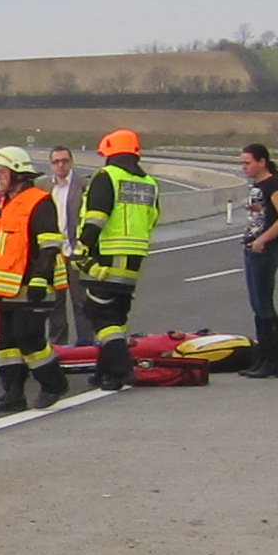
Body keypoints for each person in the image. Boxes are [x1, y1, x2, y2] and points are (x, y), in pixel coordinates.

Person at [0, 145, 71, 415]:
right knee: (7, 342)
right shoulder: (5, 204)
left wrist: (40, 278)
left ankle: (54, 384)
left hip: (33, 286)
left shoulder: (39, 201)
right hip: (6, 288)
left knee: (28, 337)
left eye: (1, 172)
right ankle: (13, 393)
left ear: (17, 173)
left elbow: (49, 244)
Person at [71, 128, 161, 392]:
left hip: (108, 253)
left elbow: (96, 216)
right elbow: (153, 217)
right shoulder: (149, 182)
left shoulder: (106, 176)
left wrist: (82, 246)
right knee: (116, 314)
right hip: (135, 256)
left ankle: (122, 369)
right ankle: (105, 372)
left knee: (99, 313)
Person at [235, 142, 278, 378]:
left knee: (264, 302)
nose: (244, 167)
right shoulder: (257, 186)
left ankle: (273, 361)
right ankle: (263, 357)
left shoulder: (273, 185)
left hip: (265, 250)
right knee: (256, 304)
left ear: (262, 162)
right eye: (242, 163)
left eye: (248, 163)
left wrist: (263, 239)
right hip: (252, 248)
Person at [43, 143, 84, 348]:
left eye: (64, 161)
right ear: (51, 165)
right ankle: (59, 346)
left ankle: (85, 344)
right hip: (54, 254)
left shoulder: (83, 185)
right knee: (55, 303)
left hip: (76, 252)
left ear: (72, 162)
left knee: (80, 302)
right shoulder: (42, 187)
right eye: (56, 162)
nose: (61, 165)